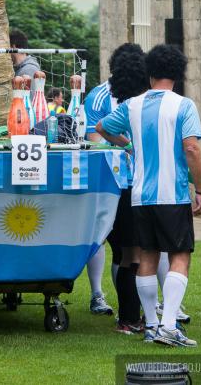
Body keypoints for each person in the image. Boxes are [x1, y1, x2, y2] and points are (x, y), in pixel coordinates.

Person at [96, 44, 201, 347]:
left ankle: (152, 326)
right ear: (178, 73)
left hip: (141, 195)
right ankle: (169, 326)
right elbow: (192, 148)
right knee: (179, 256)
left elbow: (101, 127)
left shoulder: (132, 105)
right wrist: (200, 189)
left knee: (146, 257)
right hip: (173, 195)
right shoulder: (184, 105)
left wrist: (127, 145)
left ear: (150, 72)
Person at [84, 43, 145, 317]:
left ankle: (136, 313)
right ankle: (102, 297)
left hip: (141, 184)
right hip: (113, 184)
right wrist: (129, 148)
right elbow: (96, 135)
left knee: (133, 251)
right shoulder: (99, 98)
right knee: (118, 247)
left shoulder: (143, 100)